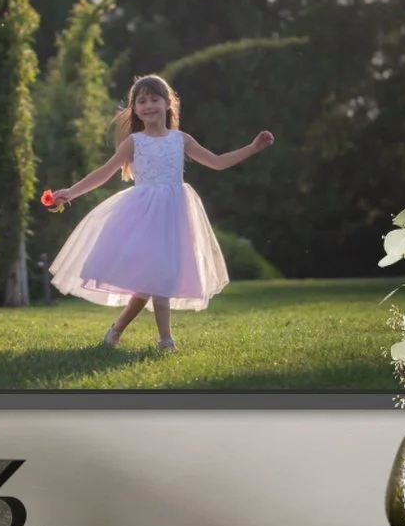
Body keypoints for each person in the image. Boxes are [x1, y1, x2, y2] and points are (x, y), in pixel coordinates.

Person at [42, 74, 274, 351]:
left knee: (153, 281)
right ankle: (166, 341)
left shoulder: (181, 140)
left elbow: (218, 162)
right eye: (142, 101)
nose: (149, 105)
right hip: (142, 216)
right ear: (135, 109)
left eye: (155, 99)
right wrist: (70, 192)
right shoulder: (134, 142)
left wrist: (253, 148)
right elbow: (104, 174)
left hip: (174, 216)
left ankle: (115, 332)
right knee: (156, 279)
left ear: (168, 104)